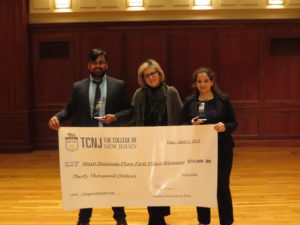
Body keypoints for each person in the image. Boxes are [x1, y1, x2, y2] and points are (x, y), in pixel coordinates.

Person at [48, 48, 130, 225]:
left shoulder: (119, 85)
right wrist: (57, 117)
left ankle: (121, 219)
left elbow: (130, 110)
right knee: (87, 182)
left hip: (111, 143)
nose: (98, 66)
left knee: (113, 181)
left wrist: (115, 117)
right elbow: (69, 110)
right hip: (86, 144)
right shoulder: (79, 87)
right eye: (94, 63)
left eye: (101, 62)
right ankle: (83, 220)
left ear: (106, 64)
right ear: (88, 65)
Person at [182, 67, 238, 225]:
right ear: (195, 84)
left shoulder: (223, 100)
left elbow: (234, 122)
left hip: (222, 149)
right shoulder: (189, 102)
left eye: (206, 81)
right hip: (199, 150)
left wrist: (225, 126)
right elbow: (181, 124)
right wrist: (190, 124)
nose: (202, 84)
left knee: (222, 186)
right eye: (199, 81)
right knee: (202, 186)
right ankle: (203, 221)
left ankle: (226, 221)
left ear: (212, 82)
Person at [130, 59, 183, 225]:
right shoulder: (139, 94)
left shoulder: (171, 92)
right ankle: (156, 218)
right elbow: (132, 117)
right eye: (146, 76)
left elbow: (181, 115)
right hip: (146, 146)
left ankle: (156, 218)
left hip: (167, 146)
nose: (151, 77)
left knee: (163, 183)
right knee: (149, 183)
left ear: (159, 74)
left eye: (153, 74)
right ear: (143, 79)